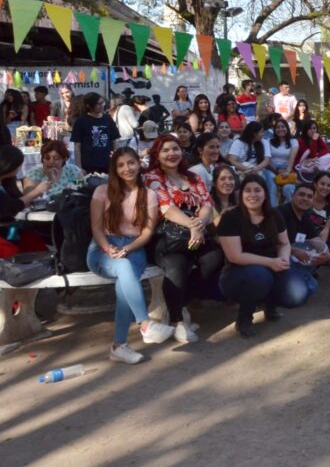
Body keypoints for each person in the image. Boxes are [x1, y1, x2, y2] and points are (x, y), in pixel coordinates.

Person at [87, 148, 175, 363]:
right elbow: (96, 228)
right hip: (102, 247)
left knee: (123, 286)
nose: (127, 169)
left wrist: (127, 249)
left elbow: (146, 232)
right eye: (121, 165)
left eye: (131, 163)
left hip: (134, 247)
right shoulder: (101, 191)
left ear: (139, 164)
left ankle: (119, 346)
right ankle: (145, 325)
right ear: (114, 169)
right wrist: (108, 248)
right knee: (124, 269)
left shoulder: (149, 195)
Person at [144, 135, 218, 343]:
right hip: (165, 237)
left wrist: (199, 226)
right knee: (177, 264)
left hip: (194, 232)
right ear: (157, 155)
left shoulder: (193, 177)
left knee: (215, 256)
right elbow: (166, 207)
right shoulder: (152, 177)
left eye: (175, 149)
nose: (172, 154)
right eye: (165, 150)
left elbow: (207, 203)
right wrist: (193, 226)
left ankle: (180, 301)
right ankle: (178, 322)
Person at [217, 174, 311, 336]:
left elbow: (284, 243)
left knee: (297, 295)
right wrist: (270, 262)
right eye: (247, 190)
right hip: (237, 274)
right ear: (241, 194)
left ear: (265, 194)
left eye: (257, 190)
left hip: (272, 265)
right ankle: (244, 318)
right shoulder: (230, 218)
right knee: (260, 276)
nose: (252, 195)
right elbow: (235, 256)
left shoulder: (274, 215)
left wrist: (283, 258)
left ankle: (270, 304)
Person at [277, 182, 330, 296]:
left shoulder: (305, 215)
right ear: (293, 196)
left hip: (295, 259)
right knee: (307, 290)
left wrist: (326, 253)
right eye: (301, 194)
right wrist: (294, 250)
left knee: (311, 286)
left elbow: (316, 239)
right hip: (278, 260)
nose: (305, 199)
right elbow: (270, 243)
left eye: (309, 196)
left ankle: (298, 278)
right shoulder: (279, 213)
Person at [71, 92, 119, 174]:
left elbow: (115, 140)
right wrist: (79, 167)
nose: (102, 106)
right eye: (98, 104)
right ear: (89, 106)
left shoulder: (108, 119)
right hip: (89, 164)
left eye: (102, 102)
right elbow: (77, 146)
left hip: (107, 163)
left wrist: (117, 159)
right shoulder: (81, 121)